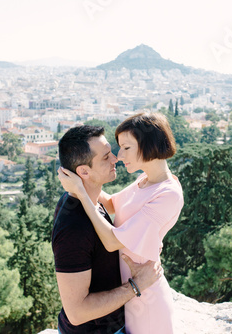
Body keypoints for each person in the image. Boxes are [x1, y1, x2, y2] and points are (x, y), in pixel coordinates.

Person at [58, 112, 184, 334]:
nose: (118, 155)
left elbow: (111, 241)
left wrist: (80, 189)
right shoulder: (143, 181)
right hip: (128, 296)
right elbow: (111, 203)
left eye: (126, 148)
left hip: (146, 297)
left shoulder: (168, 193)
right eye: (112, 152)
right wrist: (81, 180)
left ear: (148, 145)